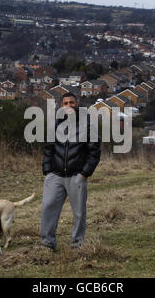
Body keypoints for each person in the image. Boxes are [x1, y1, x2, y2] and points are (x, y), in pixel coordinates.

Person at [40, 92, 101, 251]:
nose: (68, 105)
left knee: (79, 213)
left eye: (71, 102)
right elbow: (48, 149)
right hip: (56, 175)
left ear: (77, 104)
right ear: (61, 106)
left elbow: (94, 153)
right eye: (65, 103)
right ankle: (47, 243)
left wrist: (84, 173)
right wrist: (48, 171)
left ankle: (77, 245)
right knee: (48, 208)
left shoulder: (88, 125)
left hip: (77, 176)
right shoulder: (55, 125)